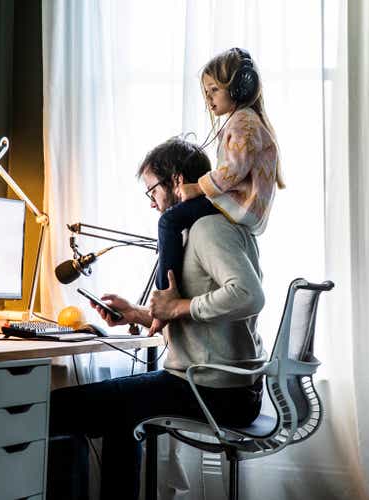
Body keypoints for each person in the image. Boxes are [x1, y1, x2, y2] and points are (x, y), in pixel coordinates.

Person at [49, 137, 267, 500]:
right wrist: (137, 314)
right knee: (121, 418)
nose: (151, 201)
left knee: (59, 410)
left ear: (177, 180)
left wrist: (177, 308)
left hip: (215, 391)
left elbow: (249, 295)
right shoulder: (212, 225)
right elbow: (206, 306)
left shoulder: (208, 229)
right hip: (216, 385)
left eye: (152, 189)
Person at [150, 47, 284, 334]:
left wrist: (198, 187)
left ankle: (165, 297)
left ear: (239, 87)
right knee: (173, 220)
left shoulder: (243, 121)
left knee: (168, 220)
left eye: (214, 89)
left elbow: (234, 170)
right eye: (206, 91)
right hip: (238, 204)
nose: (208, 98)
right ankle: (163, 304)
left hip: (236, 203)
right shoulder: (244, 121)